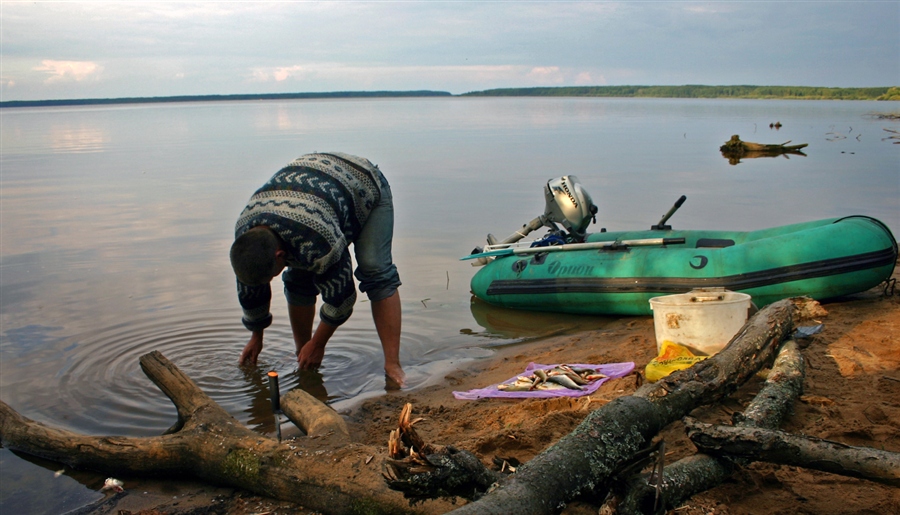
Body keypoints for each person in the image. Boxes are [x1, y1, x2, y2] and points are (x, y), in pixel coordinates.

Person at [229, 152, 405, 387]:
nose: (274, 277)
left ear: (280, 255)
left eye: (273, 274)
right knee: (299, 279)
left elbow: (342, 299)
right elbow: (251, 290)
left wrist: (319, 343)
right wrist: (256, 336)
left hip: (363, 183)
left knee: (376, 271)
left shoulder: (317, 236)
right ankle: (303, 354)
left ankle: (392, 364)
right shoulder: (246, 237)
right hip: (312, 190)